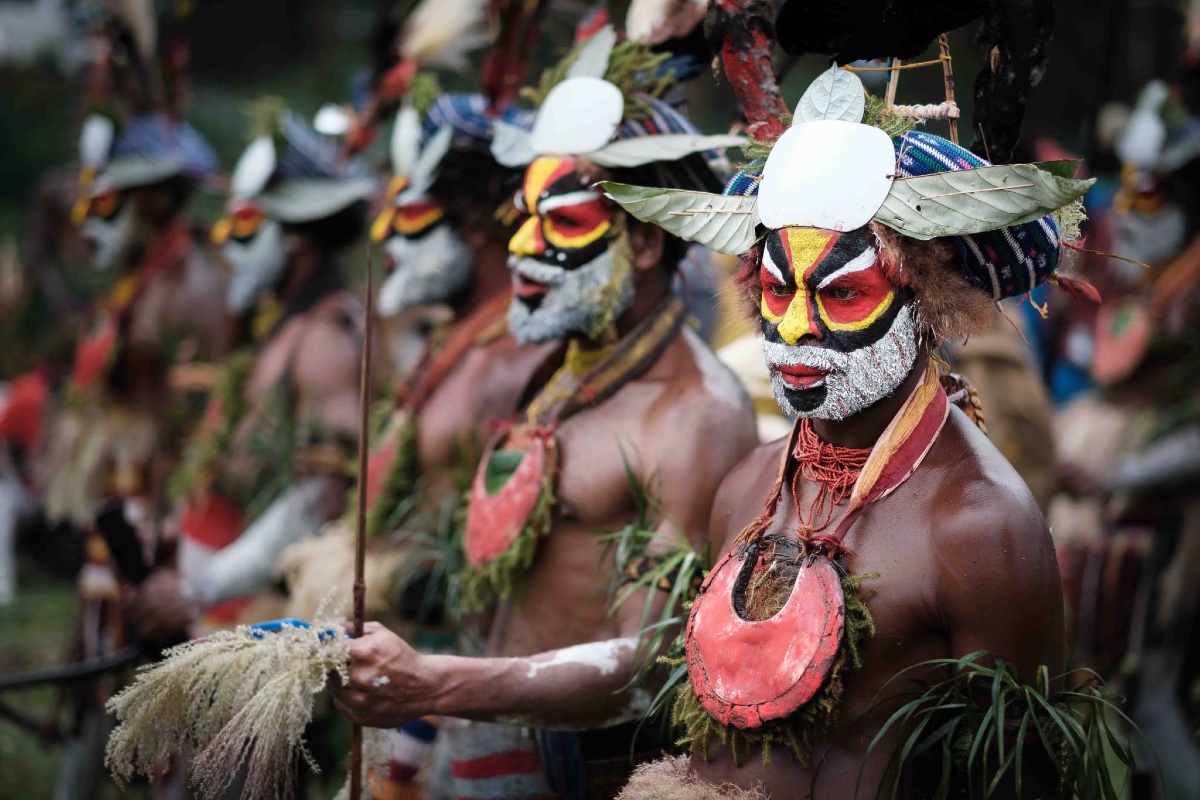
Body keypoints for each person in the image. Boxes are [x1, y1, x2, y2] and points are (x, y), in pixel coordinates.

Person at [605, 66, 1095, 797]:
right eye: (778, 290)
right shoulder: (747, 484)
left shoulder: (981, 528)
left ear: (925, 298)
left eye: (841, 292)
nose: (796, 326)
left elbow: (1016, 778)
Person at [331, 26, 758, 798]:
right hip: (474, 733)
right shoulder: (558, 371)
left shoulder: (695, 416)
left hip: (575, 769)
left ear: (645, 244)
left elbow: (649, 662)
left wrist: (440, 681)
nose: (522, 247)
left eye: (561, 222)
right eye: (523, 217)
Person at [124, 107, 372, 640]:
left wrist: (204, 585)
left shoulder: (325, 341)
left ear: (296, 237)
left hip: (265, 613)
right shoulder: (283, 327)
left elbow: (323, 495)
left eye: (243, 224)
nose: (223, 241)